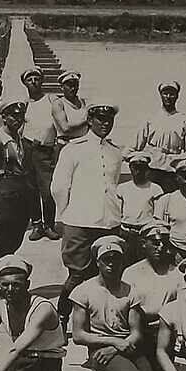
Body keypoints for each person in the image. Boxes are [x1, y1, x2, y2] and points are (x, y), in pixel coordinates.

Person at [70, 236, 165, 371]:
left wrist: (116, 347)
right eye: (107, 259)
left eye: (116, 259)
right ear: (98, 262)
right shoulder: (83, 291)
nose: (111, 264)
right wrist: (113, 343)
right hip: (100, 351)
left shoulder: (130, 291)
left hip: (126, 348)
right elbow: (79, 335)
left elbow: (136, 332)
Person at [51, 102, 123, 332]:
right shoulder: (73, 149)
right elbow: (59, 187)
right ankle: (59, 319)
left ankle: (96, 322)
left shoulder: (115, 152)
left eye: (109, 120)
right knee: (77, 274)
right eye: (100, 119)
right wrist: (66, 215)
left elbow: (113, 187)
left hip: (109, 222)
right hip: (79, 223)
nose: (104, 124)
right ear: (89, 121)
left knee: (106, 276)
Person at [0, 98, 37, 300]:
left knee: (13, 244)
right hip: (4, 195)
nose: (17, 119)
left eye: (20, 116)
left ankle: (6, 285)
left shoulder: (19, 140)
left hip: (20, 195)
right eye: (13, 115)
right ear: (4, 116)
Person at [121, 220, 183, 371]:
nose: (160, 247)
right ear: (143, 244)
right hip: (140, 332)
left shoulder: (176, 274)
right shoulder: (131, 273)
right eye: (155, 243)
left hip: (168, 333)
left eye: (164, 242)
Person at [133, 80, 186, 193]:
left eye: (172, 93)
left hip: (172, 171)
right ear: (160, 95)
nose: (168, 97)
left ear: (177, 96)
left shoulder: (184, 120)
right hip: (152, 169)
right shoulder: (150, 118)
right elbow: (134, 146)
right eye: (165, 93)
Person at [21, 67, 60, 241]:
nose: (34, 82)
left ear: (42, 81)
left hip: (46, 151)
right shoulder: (25, 104)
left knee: (48, 190)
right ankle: (37, 224)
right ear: (25, 83)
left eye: (37, 79)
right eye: (30, 79)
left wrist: (56, 148)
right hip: (28, 149)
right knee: (31, 189)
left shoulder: (51, 100)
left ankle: (49, 225)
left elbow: (60, 125)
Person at [115, 151, 164, 264]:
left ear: (146, 169)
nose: (138, 171)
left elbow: (158, 216)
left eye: (141, 168)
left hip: (145, 234)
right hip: (126, 233)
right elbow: (118, 213)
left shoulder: (155, 189)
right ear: (130, 168)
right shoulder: (122, 188)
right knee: (125, 264)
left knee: (145, 264)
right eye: (135, 168)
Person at [51, 70, 89, 146]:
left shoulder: (84, 102)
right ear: (62, 87)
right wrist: (87, 120)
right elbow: (65, 128)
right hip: (66, 144)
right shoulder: (58, 104)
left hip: (84, 143)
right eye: (69, 85)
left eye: (75, 85)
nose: (73, 88)